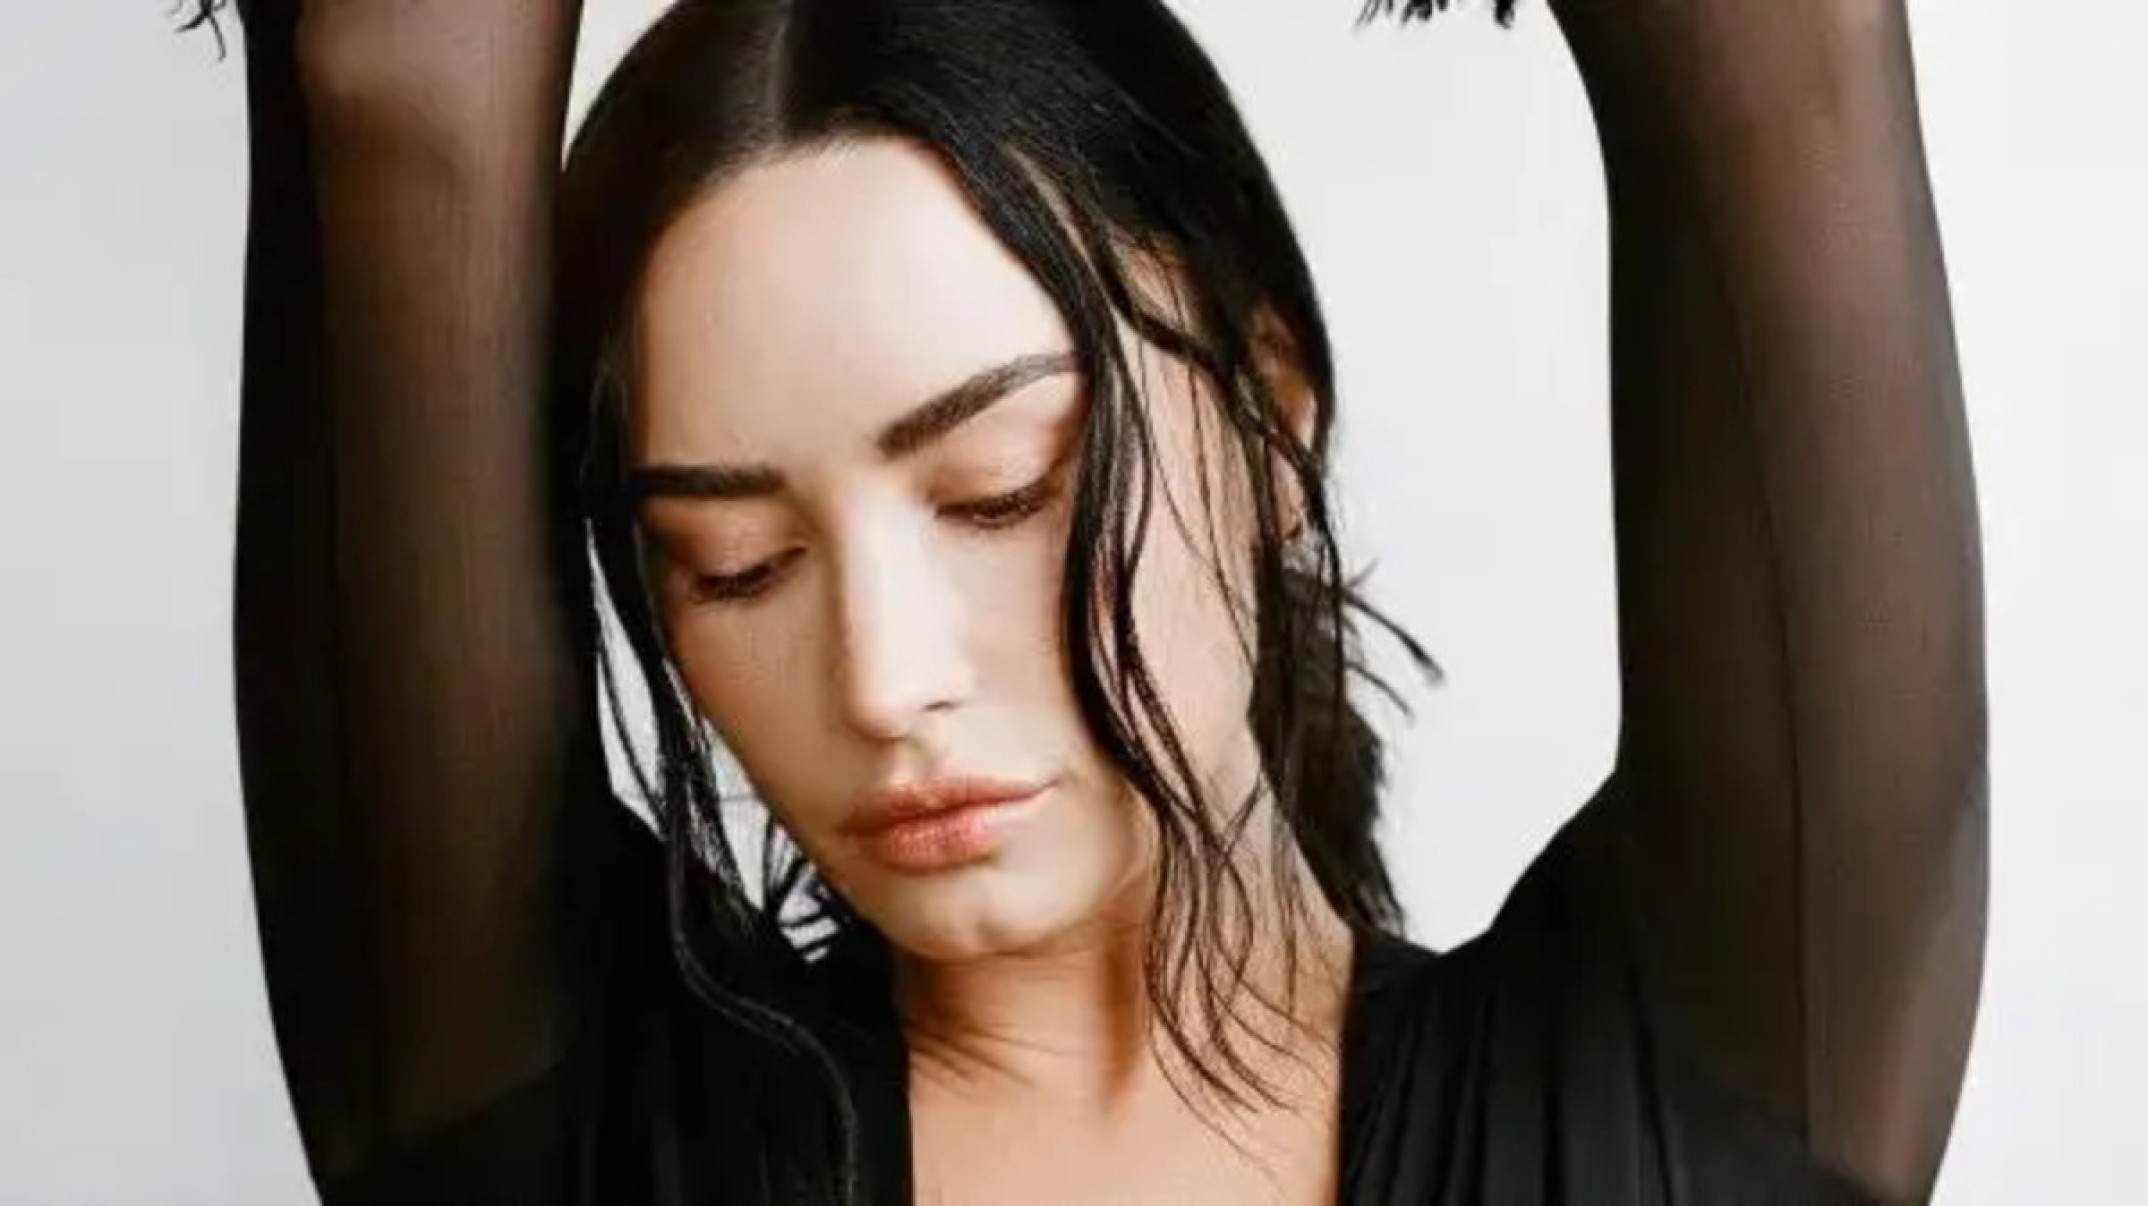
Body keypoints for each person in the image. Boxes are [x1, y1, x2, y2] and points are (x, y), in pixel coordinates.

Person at [194, 0, 1988, 1202]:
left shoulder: (1670, 1106)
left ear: (1273, 404)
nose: (885, 677)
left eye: (1002, 490)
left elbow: (1777, 51)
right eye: (734, 564)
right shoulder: (585, 1144)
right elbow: (398, 83)